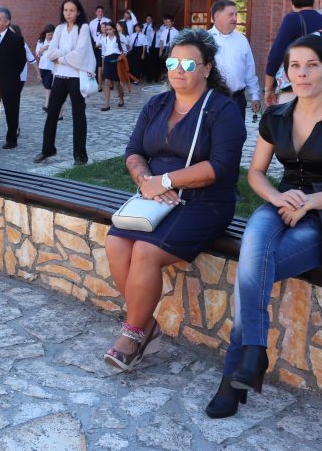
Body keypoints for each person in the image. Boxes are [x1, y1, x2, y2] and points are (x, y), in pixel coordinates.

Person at [206, 34, 322, 419]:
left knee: (250, 273)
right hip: (283, 202)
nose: (302, 74)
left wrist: (310, 202)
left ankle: (234, 373)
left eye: (312, 65)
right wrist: (278, 198)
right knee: (254, 239)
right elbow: (256, 173)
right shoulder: (276, 116)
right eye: (295, 66)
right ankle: (255, 351)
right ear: (286, 72)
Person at [103, 28, 246, 371]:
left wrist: (165, 180)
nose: (178, 70)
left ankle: (133, 334)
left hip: (205, 200)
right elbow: (133, 151)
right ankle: (147, 323)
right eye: (172, 63)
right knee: (115, 243)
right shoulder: (157, 104)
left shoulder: (222, 110)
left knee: (145, 251)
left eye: (188, 64)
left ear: (207, 68)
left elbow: (220, 166)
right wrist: (145, 181)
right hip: (155, 197)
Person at [33, 0, 96, 165]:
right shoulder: (59, 28)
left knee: (78, 116)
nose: (68, 13)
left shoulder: (83, 28)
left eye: (72, 10)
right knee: (52, 114)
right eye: (66, 10)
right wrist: (65, 55)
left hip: (76, 78)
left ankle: (80, 155)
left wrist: (60, 58)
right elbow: (50, 52)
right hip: (60, 77)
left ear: (78, 12)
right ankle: (47, 149)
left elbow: (80, 54)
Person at [264, 0, 322, 106]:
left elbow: (276, 55)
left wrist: (268, 88)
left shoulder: (292, 19)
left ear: (291, 0)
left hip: (297, 87)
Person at [208, 0, 260, 120]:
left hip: (237, 100)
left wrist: (255, 95)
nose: (235, 18)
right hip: (212, 99)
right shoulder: (205, 39)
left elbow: (249, 70)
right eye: (231, 14)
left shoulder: (242, 40)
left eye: (236, 14)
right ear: (217, 16)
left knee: (237, 131)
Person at [0, 7, 26, 149]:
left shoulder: (16, 39)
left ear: (7, 22)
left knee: (11, 111)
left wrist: (12, 75)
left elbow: (21, 60)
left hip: (10, 82)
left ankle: (11, 140)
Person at [98, 21, 127, 111]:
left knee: (117, 83)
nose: (108, 31)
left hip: (117, 61)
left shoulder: (120, 38)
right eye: (107, 30)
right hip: (107, 61)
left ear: (114, 29)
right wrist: (103, 66)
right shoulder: (104, 40)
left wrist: (121, 57)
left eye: (110, 29)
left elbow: (125, 51)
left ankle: (121, 98)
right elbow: (103, 54)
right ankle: (107, 105)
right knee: (106, 82)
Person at [36, 24, 57, 114]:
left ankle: (47, 105)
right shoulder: (41, 41)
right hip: (42, 66)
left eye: (52, 34)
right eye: (49, 34)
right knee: (46, 85)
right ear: (45, 34)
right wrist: (43, 48)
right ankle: (51, 102)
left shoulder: (56, 42)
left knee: (48, 86)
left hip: (52, 67)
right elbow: (38, 54)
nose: (50, 36)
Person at [12, 24, 40, 89]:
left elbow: (32, 60)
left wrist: (38, 74)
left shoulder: (23, 45)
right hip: (8, 75)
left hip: (21, 75)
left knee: (16, 93)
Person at [89, 6, 110, 86]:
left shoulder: (107, 21)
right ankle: (97, 81)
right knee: (97, 63)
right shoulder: (92, 23)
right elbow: (91, 34)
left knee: (105, 64)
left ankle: (108, 81)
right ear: (96, 12)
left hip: (106, 45)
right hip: (96, 44)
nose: (100, 13)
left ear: (103, 12)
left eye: (101, 11)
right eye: (98, 11)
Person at [143, 14, 160, 82]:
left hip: (157, 49)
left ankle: (156, 78)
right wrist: (147, 49)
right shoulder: (150, 32)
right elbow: (148, 41)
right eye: (154, 28)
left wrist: (161, 50)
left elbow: (161, 42)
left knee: (156, 63)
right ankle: (149, 78)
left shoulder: (161, 33)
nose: (155, 30)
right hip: (151, 48)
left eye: (156, 28)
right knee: (149, 64)